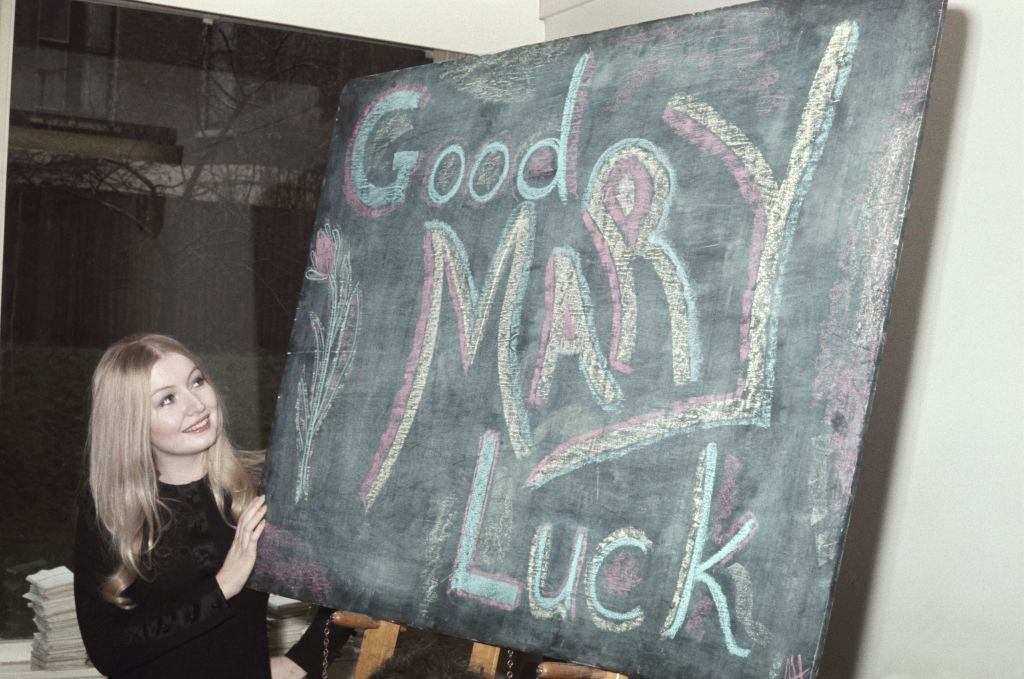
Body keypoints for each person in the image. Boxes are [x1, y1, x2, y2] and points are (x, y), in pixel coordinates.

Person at [73, 333, 349, 678]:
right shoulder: (107, 508)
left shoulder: (264, 486)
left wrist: (301, 664)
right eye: (167, 399)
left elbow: (353, 581)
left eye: (197, 381)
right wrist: (223, 587)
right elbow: (109, 652)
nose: (197, 404)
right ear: (132, 424)